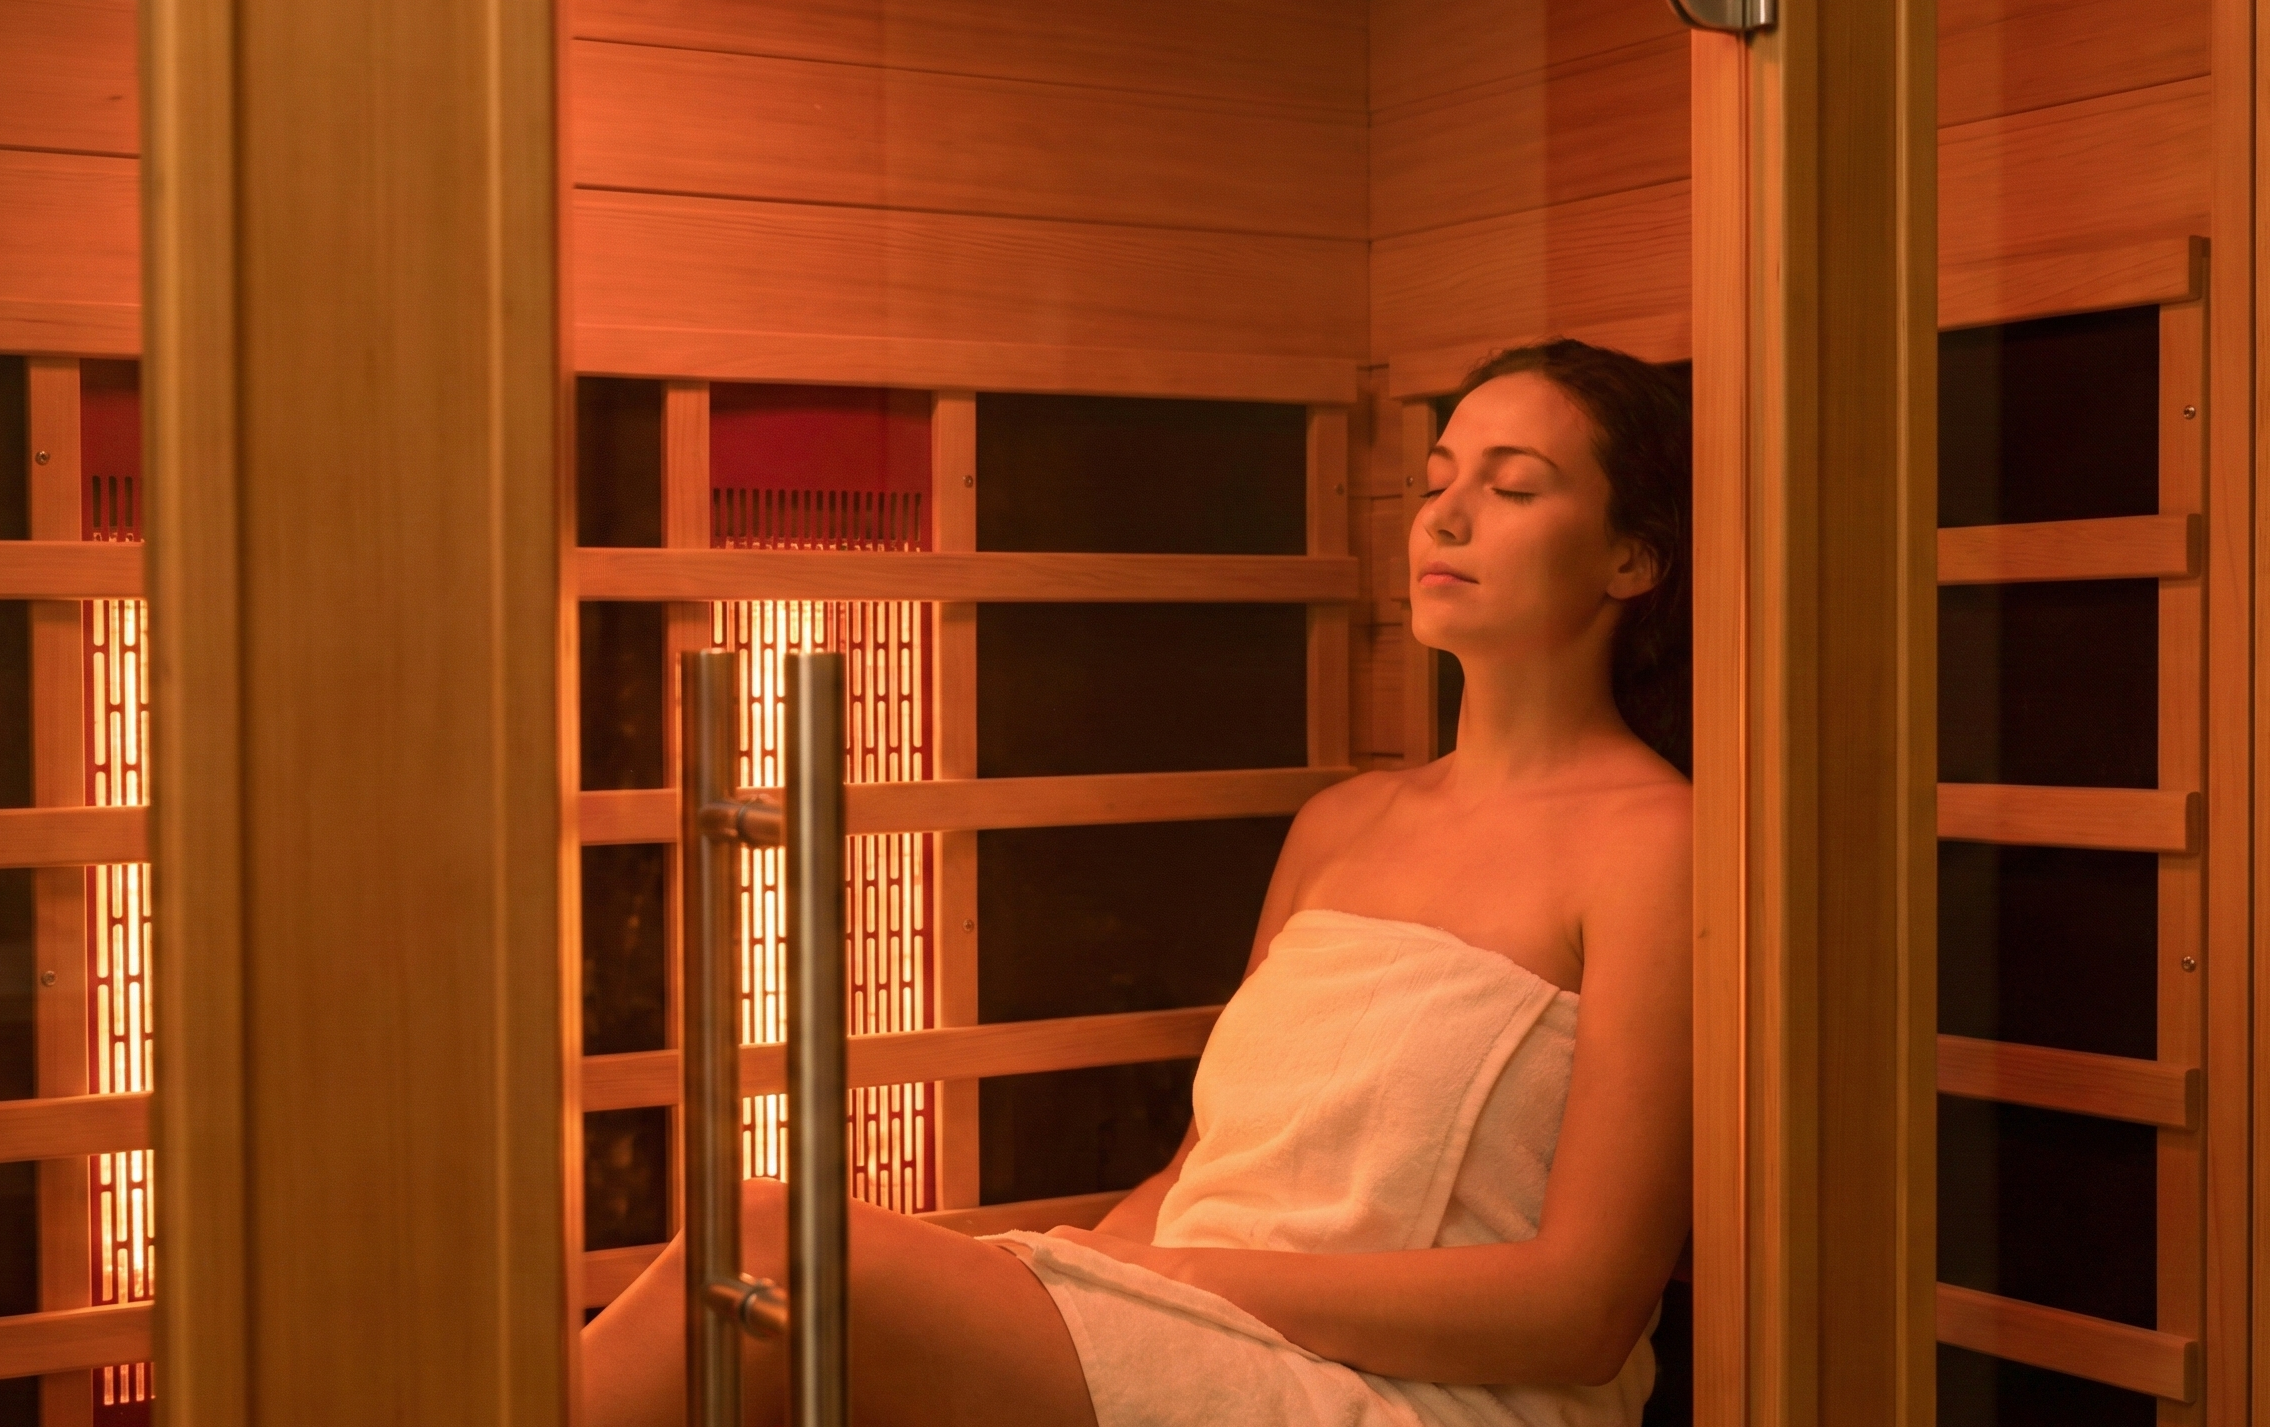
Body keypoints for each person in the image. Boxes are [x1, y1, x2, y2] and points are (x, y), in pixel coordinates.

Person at [583, 339, 1693, 1427]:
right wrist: (1079, 1267)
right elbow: (1204, 1168)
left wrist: (1180, 1278)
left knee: (770, 1244)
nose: (1445, 518)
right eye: (1437, 481)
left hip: (1404, 1389)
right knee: (780, 1308)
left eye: (1512, 488)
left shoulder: (1655, 845)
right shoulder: (1343, 825)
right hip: (1202, 1334)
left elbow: (1583, 1310)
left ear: (1632, 560)